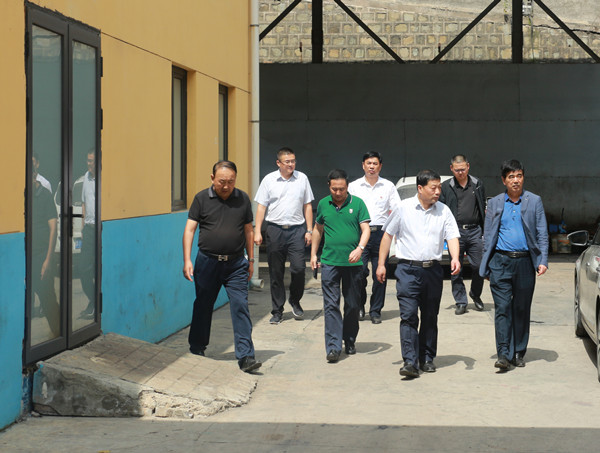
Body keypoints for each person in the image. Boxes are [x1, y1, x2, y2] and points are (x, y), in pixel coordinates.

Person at [376, 170, 461, 378]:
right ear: (420, 188)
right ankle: (410, 361)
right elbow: (387, 236)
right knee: (408, 315)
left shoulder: (444, 211)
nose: (438, 192)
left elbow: (452, 236)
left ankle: (427, 358)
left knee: (430, 315)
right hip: (408, 270)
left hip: (433, 270)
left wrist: (455, 258)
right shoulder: (403, 208)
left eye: (439, 187)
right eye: (434, 188)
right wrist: (381, 264)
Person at [182, 160, 261, 373]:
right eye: (222, 181)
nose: (226, 186)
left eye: (231, 181)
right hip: (207, 262)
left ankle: (246, 356)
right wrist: (187, 260)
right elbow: (190, 230)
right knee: (203, 304)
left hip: (235, 264)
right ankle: (197, 347)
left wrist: (251, 260)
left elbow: (248, 230)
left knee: (240, 305)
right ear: (212, 179)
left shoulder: (242, 199)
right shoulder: (201, 199)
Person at [480, 159, 548, 370]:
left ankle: (518, 352)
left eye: (519, 176)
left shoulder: (534, 201)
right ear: (504, 180)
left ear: (523, 178)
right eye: (511, 177)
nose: (515, 180)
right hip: (500, 262)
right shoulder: (495, 203)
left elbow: (542, 232)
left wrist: (543, 260)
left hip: (525, 263)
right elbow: (488, 235)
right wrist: (486, 263)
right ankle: (503, 353)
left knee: (521, 308)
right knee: (502, 308)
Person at [310, 169, 371, 363]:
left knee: (352, 305)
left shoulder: (358, 203)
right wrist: (313, 254)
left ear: (347, 187)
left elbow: (366, 229)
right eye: (334, 189)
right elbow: (318, 229)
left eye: (342, 189)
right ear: (329, 186)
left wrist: (360, 248)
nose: (338, 193)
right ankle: (333, 347)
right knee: (331, 305)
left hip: (353, 264)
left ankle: (349, 339)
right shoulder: (323, 204)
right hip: (330, 262)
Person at [254, 147, 314, 324]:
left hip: (297, 230)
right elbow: (261, 207)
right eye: (287, 162)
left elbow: (307, 205)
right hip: (275, 230)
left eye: (293, 161)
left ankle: (295, 300)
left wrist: (309, 230)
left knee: (299, 268)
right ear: (278, 163)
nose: (291, 164)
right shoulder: (269, 180)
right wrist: (257, 230)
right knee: (276, 272)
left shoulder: (302, 178)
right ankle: (277, 310)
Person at [348, 151, 400, 324]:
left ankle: (376, 310)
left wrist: (394, 233)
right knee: (359, 273)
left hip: (381, 235)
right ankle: (360, 306)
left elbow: (397, 211)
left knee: (380, 273)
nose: (372, 167)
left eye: (375, 164)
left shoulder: (388, 186)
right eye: (369, 163)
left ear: (380, 166)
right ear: (363, 165)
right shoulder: (354, 186)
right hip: (360, 235)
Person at [439, 154, 486, 315]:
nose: (460, 172)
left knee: (479, 266)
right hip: (455, 232)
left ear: (468, 166)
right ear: (451, 169)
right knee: (456, 268)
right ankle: (461, 301)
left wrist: (484, 229)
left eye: (463, 169)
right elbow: (442, 209)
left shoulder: (477, 184)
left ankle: (475, 294)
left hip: (475, 231)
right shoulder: (446, 186)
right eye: (457, 170)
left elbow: (482, 206)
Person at [31, 157, 60, 337]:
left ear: (35, 175)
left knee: (47, 296)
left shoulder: (45, 195)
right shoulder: (23, 195)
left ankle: (58, 332)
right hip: (27, 254)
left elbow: (53, 229)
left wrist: (48, 260)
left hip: (42, 255)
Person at [80, 150, 96, 318]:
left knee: (98, 270)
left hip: (101, 230)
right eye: (88, 160)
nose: (89, 164)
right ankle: (93, 300)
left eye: (92, 161)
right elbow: (84, 202)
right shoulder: (86, 177)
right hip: (89, 230)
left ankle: (94, 305)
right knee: (83, 269)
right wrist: (83, 226)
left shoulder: (104, 178)